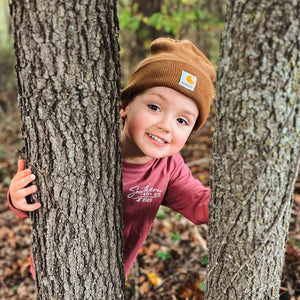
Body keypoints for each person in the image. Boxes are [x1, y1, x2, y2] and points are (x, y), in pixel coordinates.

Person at [7, 37, 216, 277]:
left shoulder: (169, 168)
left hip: (110, 275)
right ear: (125, 104)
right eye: (155, 107)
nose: (165, 126)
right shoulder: (88, 148)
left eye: (182, 121)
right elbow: (34, 195)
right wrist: (17, 197)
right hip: (58, 270)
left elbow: (199, 203)